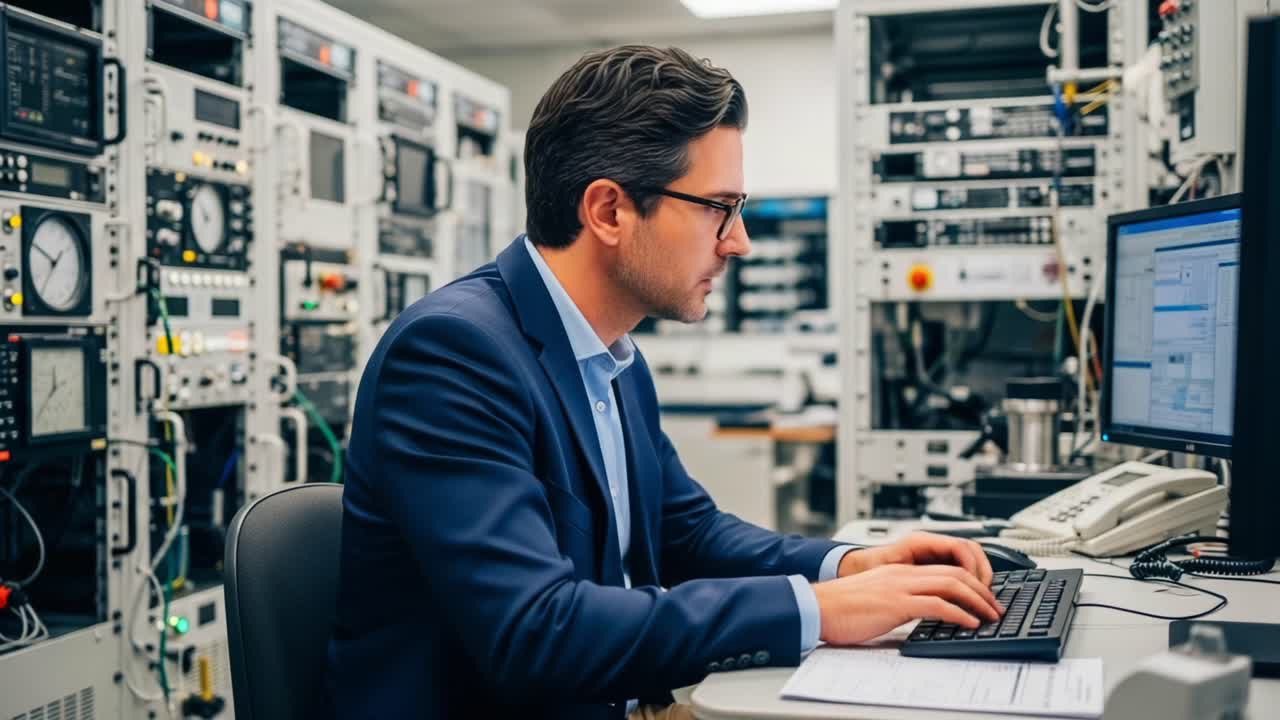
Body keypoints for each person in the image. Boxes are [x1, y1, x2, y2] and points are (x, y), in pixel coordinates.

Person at [328, 44, 1004, 720]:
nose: (738, 242)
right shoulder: (454, 352)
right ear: (609, 212)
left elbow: (691, 535)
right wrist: (815, 610)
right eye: (718, 207)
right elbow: (536, 630)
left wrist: (849, 567)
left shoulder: (612, 351)